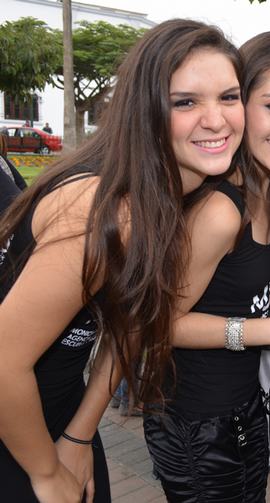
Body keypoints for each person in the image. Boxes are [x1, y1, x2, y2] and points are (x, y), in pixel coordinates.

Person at [0, 19, 245, 503]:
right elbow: (4, 361)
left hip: (58, 414)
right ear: (145, 109)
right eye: (185, 102)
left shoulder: (168, 195)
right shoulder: (108, 209)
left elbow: (128, 325)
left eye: (229, 97)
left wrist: (78, 435)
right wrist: (46, 473)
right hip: (18, 428)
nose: (216, 120)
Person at [142, 31, 270, 502]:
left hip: (241, 411)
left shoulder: (266, 189)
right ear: (241, 103)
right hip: (196, 424)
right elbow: (162, 324)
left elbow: (246, 276)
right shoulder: (221, 209)